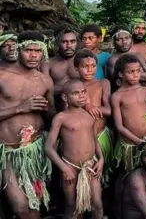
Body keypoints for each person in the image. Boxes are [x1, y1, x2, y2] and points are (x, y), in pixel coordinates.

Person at [0, 31, 55, 216]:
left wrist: (46, 109)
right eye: (28, 50)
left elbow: (50, 115)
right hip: (7, 152)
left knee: (35, 207)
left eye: (38, 51)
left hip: (34, 151)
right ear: (18, 49)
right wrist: (20, 108)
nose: (33, 55)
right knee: (21, 207)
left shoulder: (44, 80)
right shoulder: (2, 76)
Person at [45, 80, 104, 219]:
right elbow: (48, 147)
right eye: (76, 93)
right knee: (72, 206)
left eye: (83, 92)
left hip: (90, 166)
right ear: (65, 97)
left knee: (98, 204)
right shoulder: (61, 118)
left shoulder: (90, 115)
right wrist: (64, 168)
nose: (81, 96)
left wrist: (101, 158)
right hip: (70, 167)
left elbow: (94, 140)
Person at [74, 50, 113, 187]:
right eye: (85, 66)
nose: (90, 70)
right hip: (80, 139)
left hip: (100, 136)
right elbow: (69, 113)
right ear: (76, 68)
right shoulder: (72, 86)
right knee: (82, 179)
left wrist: (92, 107)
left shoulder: (103, 83)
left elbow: (108, 110)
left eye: (93, 66)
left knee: (102, 177)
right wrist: (87, 105)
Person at [111, 54, 146, 172]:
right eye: (131, 72)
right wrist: (138, 141)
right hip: (130, 144)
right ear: (121, 74)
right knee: (129, 173)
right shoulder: (117, 96)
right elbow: (119, 126)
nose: (136, 75)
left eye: (138, 71)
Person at [45, 29, 78, 111]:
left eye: (72, 41)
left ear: (77, 43)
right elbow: (45, 89)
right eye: (64, 42)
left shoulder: (83, 61)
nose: (69, 45)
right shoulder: (47, 63)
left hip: (80, 108)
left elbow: (90, 84)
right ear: (58, 43)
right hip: (56, 107)